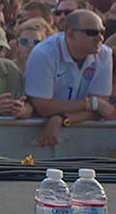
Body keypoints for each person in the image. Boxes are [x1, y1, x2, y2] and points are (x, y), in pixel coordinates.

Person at [25, 10, 114, 145]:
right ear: (70, 34)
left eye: (102, 32)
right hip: (35, 138)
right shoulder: (43, 54)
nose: (100, 38)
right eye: (92, 33)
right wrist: (90, 103)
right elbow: (43, 107)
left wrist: (63, 119)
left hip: (80, 138)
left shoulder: (104, 54)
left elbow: (103, 111)